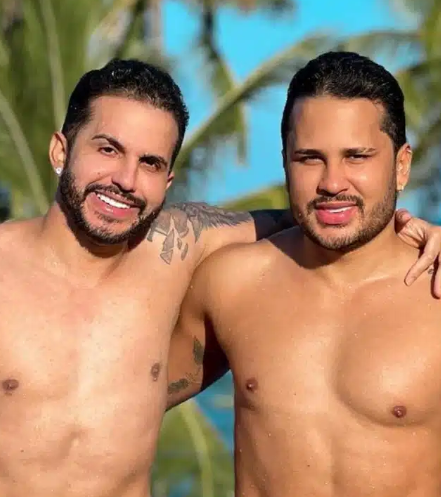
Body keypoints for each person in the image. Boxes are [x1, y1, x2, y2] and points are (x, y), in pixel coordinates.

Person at [0, 57, 437, 497]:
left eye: (150, 162)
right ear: (60, 151)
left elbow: (331, 213)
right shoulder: (232, 282)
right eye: (108, 150)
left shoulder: (193, 256)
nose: (125, 180)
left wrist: (400, 225)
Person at [169, 51, 441, 497]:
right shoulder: (233, 284)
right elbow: (113, 406)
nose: (332, 182)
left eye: (357, 156)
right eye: (310, 158)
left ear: (401, 166)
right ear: (285, 162)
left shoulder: (435, 293)